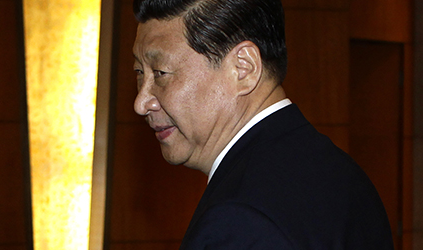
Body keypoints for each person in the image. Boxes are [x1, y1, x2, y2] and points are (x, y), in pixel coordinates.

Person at [131, 0, 394, 249]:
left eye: (160, 73)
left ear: (243, 68)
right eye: (139, 73)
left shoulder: (241, 218)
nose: (141, 102)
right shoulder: (344, 175)